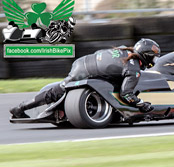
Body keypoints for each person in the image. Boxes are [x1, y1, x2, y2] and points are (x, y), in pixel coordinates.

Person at [10, 38, 161, 118]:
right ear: (146, 55)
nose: (154, 61)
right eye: (153, 57)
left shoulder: (123, 49)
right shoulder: (133, 68)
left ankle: (20, 108)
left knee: (59, 90)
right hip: (86, 72)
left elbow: (102, 52)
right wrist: (142, 104)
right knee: (58, 93)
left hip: (82, 62)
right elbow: (126, 94)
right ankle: (45, 109)